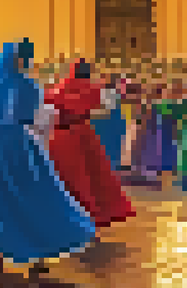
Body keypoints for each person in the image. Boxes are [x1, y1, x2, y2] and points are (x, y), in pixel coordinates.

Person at [0, 40, 97, 274]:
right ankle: (36, 249)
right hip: (19, 143)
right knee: (31, 194)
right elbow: (39, 118)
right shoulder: (30, 86)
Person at [46, 59, 136, 228]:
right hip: (82, 133)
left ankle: (63, 211)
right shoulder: (91, 88)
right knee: (92, 174)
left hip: (58, 137)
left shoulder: (58, 88)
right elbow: (105, 109)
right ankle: (93, 209)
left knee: (65, 177)